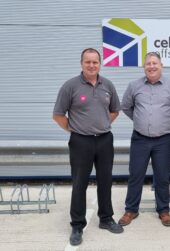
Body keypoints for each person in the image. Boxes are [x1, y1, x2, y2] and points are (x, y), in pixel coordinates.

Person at [53, 48, 123, 246]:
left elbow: (115, 110)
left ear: (100, 64)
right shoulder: (70, 86)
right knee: (79, 183)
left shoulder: (107, 85)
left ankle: (106, 218)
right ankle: (77, 224)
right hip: (80, 141)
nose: (92, 65)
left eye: (95, 62)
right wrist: (75, 129)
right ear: (81, 63)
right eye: (88, 62)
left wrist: (101, 124)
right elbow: (58, 114)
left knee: (105, 180)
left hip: (104, 140)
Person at [119, 52, 170, 227]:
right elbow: (126, 107)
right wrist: (141, 120)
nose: (151, 66)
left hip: (164, 140)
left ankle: (163, 210)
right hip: (140, 139)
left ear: (161, 65)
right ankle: (131, 209)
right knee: (135, 174)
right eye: (148, 63)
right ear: (144, 67)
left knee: (162, 176)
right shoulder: (134, 86)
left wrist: (166, 123)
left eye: (155, 63)